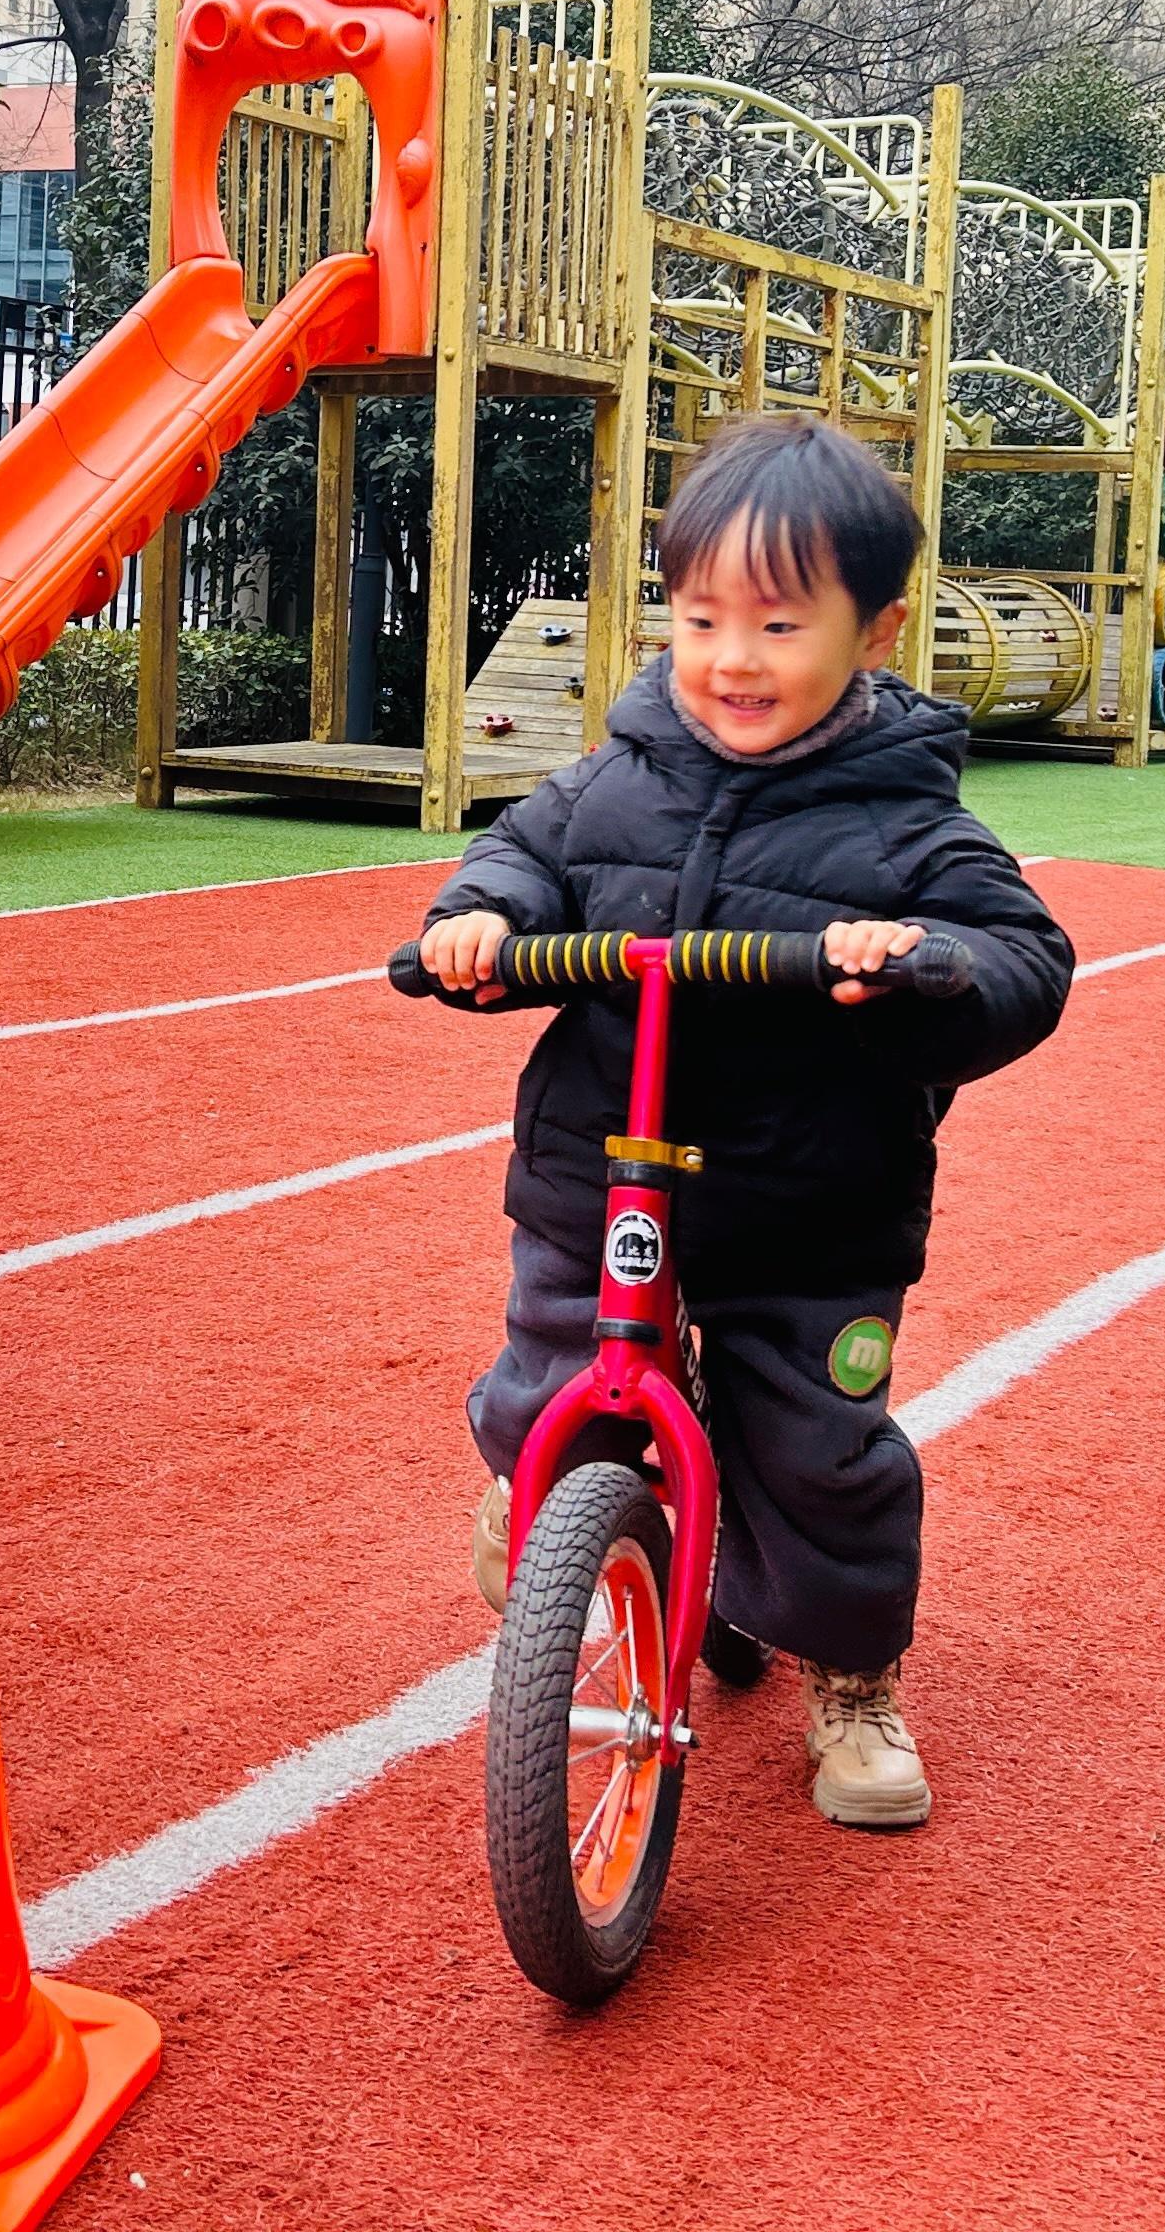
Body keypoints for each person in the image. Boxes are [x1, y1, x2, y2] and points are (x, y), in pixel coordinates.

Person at [412, 413, 1074, 1830]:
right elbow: (521, 857)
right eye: (702, 616)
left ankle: (849, 1673)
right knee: (550, 1379)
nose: (731, 658)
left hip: (809, 1201)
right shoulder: (615, 776)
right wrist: (480, 924)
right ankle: (542, 1489)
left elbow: (1026, 955)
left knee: (821, 1454)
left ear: (875, 632)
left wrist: (924, 967)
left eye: (779, 623)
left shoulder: (906, 820)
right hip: (604, 1174)